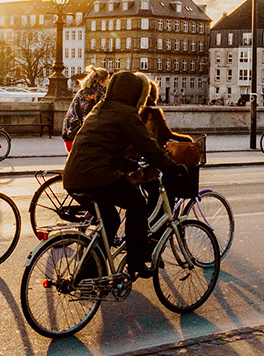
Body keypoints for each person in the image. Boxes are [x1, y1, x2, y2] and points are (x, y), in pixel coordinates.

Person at [63, 71, 186, 280]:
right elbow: (150, 148)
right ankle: (136, 260)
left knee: (110, 221)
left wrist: (132, 164)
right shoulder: (126, 114)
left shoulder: (99, 109)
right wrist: (173, 168)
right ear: (135, 94)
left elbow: (106, 149)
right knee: (137, 204)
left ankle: (88, 274)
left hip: (72, 177)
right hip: (96, 177)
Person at [61, 66, 110, 152]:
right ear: (101, 81)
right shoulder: (101, 95)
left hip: (69, 136)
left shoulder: (81, 92)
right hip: (85, 139)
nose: (109, 82)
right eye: (107, 79)